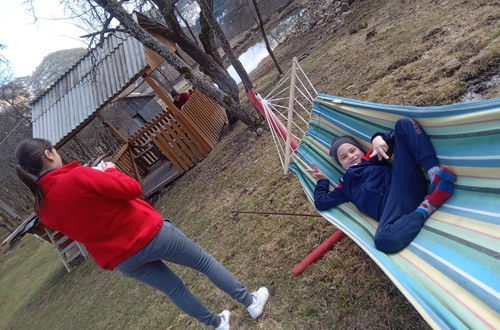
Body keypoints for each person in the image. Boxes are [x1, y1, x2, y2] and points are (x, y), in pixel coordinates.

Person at [15, 138, 269, 330]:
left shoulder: (43, 210)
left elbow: (84, 218)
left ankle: (218, 324)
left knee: (175, 291)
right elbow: (131, 188)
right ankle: (250, 302)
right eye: (55, 151)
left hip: (123, 260)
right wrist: (110, 171)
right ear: (48, 154)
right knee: (204, 263)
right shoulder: (78, 176)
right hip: (150, 233)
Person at [306, 118, 456, 253]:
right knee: (383, 241)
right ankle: (429, 204)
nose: (351, 156)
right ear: (341, 164)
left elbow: (396, 137)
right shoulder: (344, 187)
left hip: (404, 184)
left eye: (353, 150)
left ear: (360, 150)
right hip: (393, 214)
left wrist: (377, 138)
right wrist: (323, 181)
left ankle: (434, 173)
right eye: (344, 157)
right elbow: (321, 202)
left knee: (403, 124)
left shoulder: (372, 157)